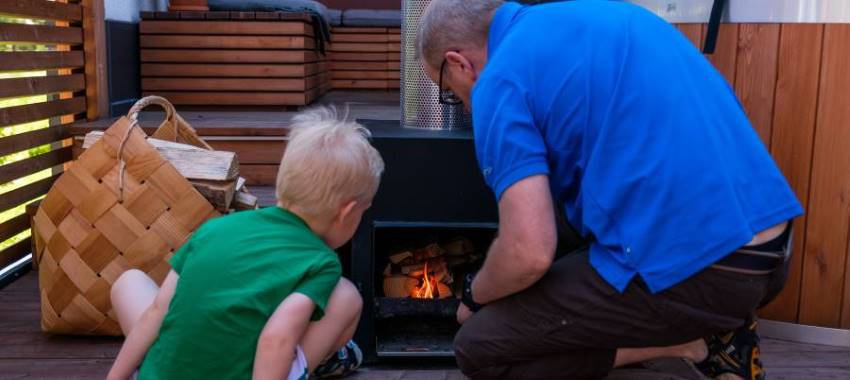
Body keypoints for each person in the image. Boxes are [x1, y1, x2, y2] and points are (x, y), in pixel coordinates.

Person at [416, 1, 802, 379]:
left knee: (479, 348)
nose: (464, 108)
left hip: (707, 272)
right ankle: (707, 322)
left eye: (449, 91)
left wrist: (475, 294)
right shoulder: (610, 14)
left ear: (459, 63)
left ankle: (695, 343)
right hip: (772, 251)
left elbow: (528, 254)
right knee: (558, 208)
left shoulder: (498, 81)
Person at [106, 108, 385, 380]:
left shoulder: (213, 229)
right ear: (346, 213)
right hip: (251, 368)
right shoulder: (321, 262)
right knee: (346, 296)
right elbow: (275, 338)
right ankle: (323, 360)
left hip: (161, 373)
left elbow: (158, 311)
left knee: (129, 282)